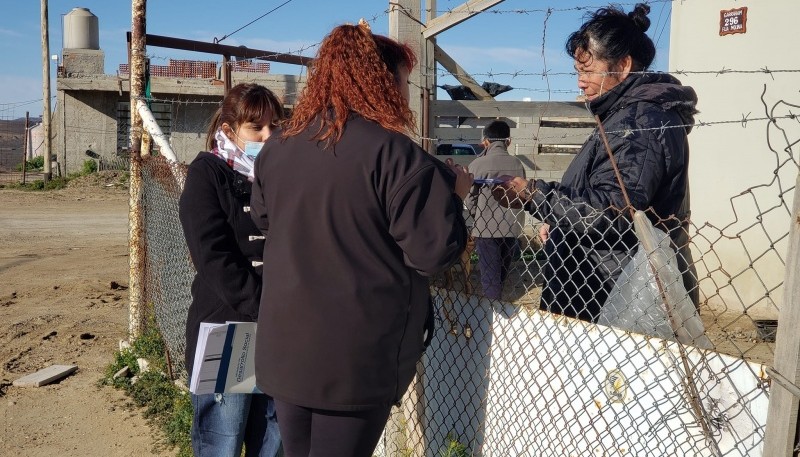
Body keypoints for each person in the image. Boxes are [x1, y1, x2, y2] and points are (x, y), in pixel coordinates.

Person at [249, 21, 472, 457]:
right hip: (355, 358)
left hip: (286, 348)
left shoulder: (280, 147)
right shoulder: (396, 155)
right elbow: (432, 253)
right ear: (382, 82)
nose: (406, 94)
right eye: (404, 82)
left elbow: (265, 219)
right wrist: (455, 199)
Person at [493, 3, 698, 322]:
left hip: (610, 297)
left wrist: (534, 197)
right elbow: (599, 198)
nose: (580, 82)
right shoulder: (623, 117)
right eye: (578, 72)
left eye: (588, 71)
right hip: (596, 288)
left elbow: (615, 211)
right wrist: (561, 225)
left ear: (623, 65)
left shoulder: (638, 124)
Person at [179, 83, 283, 457]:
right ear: (228, 130)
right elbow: (212, 257)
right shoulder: (207, 173)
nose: (268, 136)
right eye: (257, 128)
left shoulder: (280, 176)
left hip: (277, 336)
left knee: (270, 443)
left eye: (275, 126)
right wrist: (263, 306)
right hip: (226, 333)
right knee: (221, 444)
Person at [466, 120, 526, 300]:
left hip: (486, 228)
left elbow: (470, 198)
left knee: (490, 277)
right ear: (508, 141)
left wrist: (477, 214)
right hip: (511, 226)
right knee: (501, 272)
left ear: (486, 141)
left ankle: (492, 313)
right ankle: (498, 307)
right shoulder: (517, 163)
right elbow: (521, 194)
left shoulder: (478, 164)